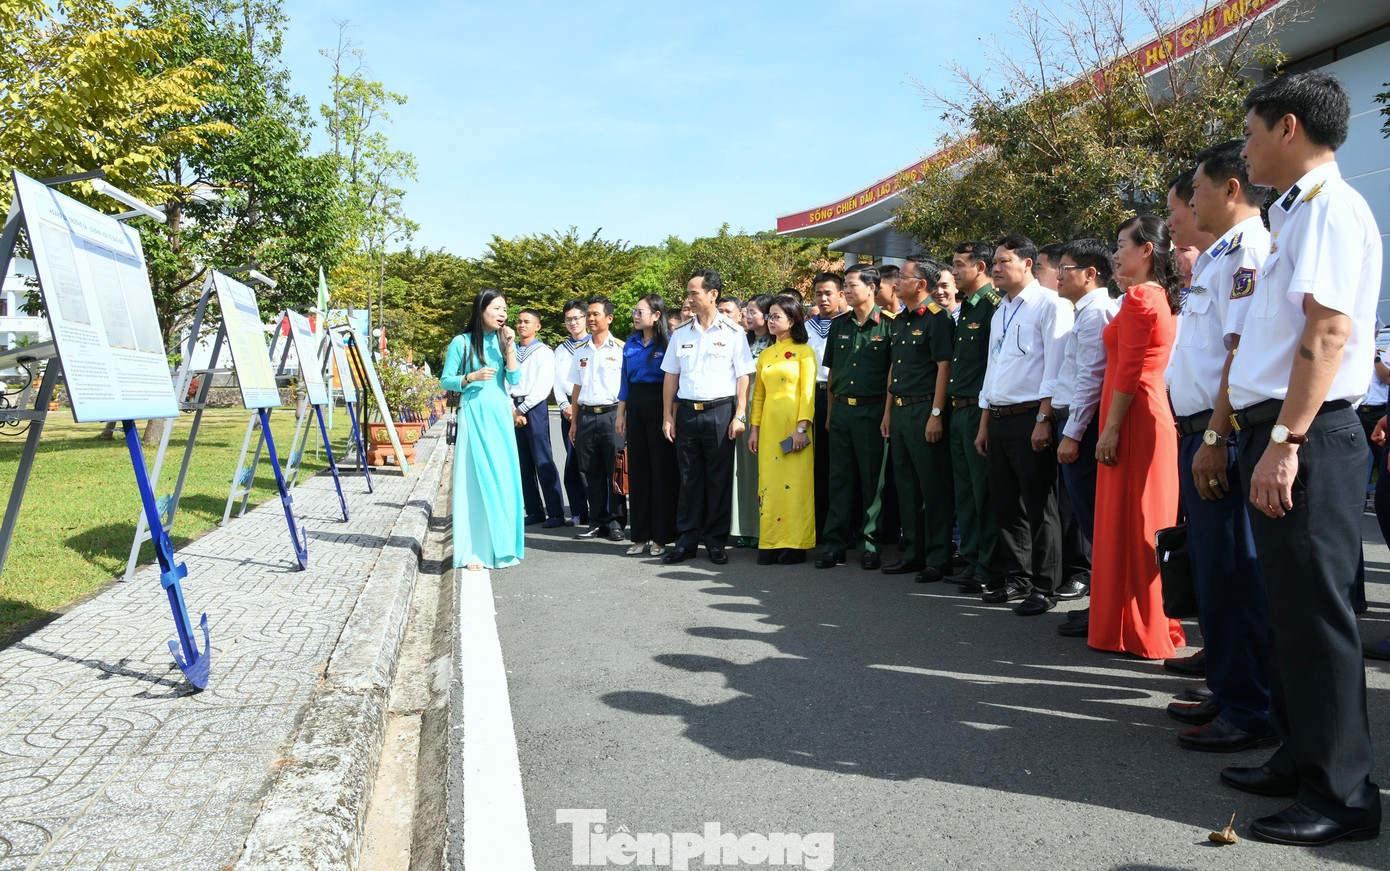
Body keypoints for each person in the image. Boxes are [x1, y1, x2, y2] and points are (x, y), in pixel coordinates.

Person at [1219, 71, 1382, 847]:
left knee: (1319, 621)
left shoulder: (1329, 209)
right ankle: (1303, 753)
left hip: (1307, 436)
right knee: (1290, 613)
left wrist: (1283, 442)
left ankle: (1343, 793)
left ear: (1288, 127)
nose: (1245, 149)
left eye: (1250, 132)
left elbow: (1326, 336)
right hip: (1282, 431)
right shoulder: (1300, 214)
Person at [1162, 138, 1274, 751]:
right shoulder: (1216, 257)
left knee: (1234, 570)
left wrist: (1214, 434)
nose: (1187, 206)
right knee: (1214, 569)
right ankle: (1229, 689)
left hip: (1218, 431)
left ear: (1230, 189)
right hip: (1202, 428)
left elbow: (1239, 354)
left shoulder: (1249, 250)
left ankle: (1248, 708)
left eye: (1196, 192)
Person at [1086, 215, 1183, 656]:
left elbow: (1129, 370)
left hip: (1134, 418)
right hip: (1135, 413)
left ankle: (1141, 628)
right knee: (1132, 520)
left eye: (1122, 243)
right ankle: (1130, 624)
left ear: (1147, 250)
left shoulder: (1143, 298)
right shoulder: (1145, 295)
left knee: (1138, 521)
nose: (1116, 251)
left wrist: (1109, 429)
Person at [974, 235, 1072, 615]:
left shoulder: (1051, 305)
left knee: (1039, 503)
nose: (995, 267)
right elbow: (992, 368)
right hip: (998, 418)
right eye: (994, 261)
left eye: (1003, 261)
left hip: (1031, 416)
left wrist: (1045, 418)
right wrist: (984, 424)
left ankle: (1045, 585)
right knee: (1006, 504)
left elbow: (1056, 366)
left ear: (1028, 263)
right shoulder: (1001, 309)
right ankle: (1017, 577)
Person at [661, 269, 756, 565]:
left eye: (694, 293)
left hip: (721, 412)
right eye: (688, 293)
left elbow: (743, 376)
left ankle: (715, 542)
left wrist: (740, 415)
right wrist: (667, 416)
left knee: (718, 479)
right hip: (688, 412)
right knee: (689, 479)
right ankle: (685, 541)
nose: (689, 298)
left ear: (712, 294)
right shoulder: (680, 334)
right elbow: (670, 378)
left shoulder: (733, 332)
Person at [1051, 239, 1120, 638]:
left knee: (1096, 522)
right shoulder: (1086, 311)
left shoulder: (1096, 314)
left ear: (1090, 273)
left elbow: (1090, 379)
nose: (1058, 276)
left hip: (1085, 426)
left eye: (1066, 268)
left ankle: (1103, 608)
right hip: (1077, 423)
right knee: (1091, 521)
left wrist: (1072, 434)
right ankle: (1100, 605)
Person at [881, 255, 955, 581]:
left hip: (925, 409)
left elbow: (944, 368)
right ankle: (912, 552)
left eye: (902, 277)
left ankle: (938, 557)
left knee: (932, 486)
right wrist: (887, 412)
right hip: (899, 410)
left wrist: (936, 414)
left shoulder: (938, 319)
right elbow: (894, 369)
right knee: (906, 485)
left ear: (921, 284)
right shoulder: (899, 320)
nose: (896, 282)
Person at [440, 289, 524, 570]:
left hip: (499, 415)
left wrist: (510, 346)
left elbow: (514, 378)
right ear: (481, 310)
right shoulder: (461, 343)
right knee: (475, 480)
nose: (503, 314)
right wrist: (470, 377)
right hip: (473, 413)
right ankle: (474, 551)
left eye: (505, 309)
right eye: (497, 308)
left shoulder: (503, 342)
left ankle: (503, 546)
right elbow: (446, 380)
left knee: (503, 478)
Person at [818, 263, 894, 570]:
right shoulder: (839, 325)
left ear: (871, 288)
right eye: (845, 286)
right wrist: (831, 412)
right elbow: (833, 370)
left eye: (851, 286)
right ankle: (834, 544)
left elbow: (892, 376)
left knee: (871, 481)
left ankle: (869, 544)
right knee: (839, 479)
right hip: (841, 413)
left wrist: (887, 414)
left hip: (872, 410)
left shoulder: (889, 326)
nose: (846, 291)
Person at [948, 242, 1003, 593]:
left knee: (984, 493)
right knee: (966, 492)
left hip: (979, 410)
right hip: (958, 409)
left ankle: (990, 564)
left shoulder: (992, 307)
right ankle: (971, 559)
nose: (953, 272)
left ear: (979, 267)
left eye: (958, 265)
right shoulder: (967, 307)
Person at [748, 294, 817, 564]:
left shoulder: (804, 351)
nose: (771, 320)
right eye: (769, 316)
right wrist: (754, 429)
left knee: (795, 486)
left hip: (794, 429)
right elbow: (759, 397)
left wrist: (801, 428)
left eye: (776, 316)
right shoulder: (765, 354)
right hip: (768, 429)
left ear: (792, 320)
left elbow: (807, 393)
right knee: (769, 485)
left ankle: (796, 544)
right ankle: (771, 541)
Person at [617, 294, 676, 557]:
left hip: (659, 402)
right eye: (634, 311)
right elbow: (624, 383)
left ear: (657, 315)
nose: (636, 315)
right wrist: (621, 415)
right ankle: (639, 536)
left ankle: (661, 537)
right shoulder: (630, 342)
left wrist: (669, 415)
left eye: (640, 311)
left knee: (661, 472)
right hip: (636, 405)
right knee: (638, 471)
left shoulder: (669, 343)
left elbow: (673, 383)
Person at [569, 298, 626, 542]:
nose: (591, 319)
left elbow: (627, 388)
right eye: (588, 315)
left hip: (612, 415)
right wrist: (574, 422)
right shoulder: (580, 351)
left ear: (609, 318)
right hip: (587, 416)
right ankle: (596, 521)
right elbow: (576, 388)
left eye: (595, 315)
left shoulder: (621, 349)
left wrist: (624, 418)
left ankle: (616, 522)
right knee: (589, 471)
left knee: (615, 470)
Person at [509, 309, 567, 528]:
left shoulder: (543, 352)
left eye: (527, 322)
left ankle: (556, 512)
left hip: (534, 407)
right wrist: (512, 409)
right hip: (514, 407)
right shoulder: (511, 350)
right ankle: (533, 510)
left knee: (543, 460)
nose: (522, 325)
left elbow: (543, 387)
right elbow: (506, 382)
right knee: (522, 462)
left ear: (538, 326)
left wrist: (522, 409)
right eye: (519, 321)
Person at [731, 294, 775, 547]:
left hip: (767, 412)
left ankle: (765, 528)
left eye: (753, 312)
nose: (747, 316)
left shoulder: (776, 344)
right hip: (741, 411)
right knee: (744, 472)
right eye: (746, 311)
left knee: (765, 472)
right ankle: (745, 527)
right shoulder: (741, 342)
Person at [808, 273, 848, 535]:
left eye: (829, 293)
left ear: (840, 295)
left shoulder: (848, 324)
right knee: (817, 465)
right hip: (812, 397)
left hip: (839, 396)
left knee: (841, 466)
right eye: (819, 294)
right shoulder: (805, 327)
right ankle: (820, 526)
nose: (823, 299)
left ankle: (845, 527)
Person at [554, 300, 590, 526]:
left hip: (588, 408)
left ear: (586, 318)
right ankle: (578, 511)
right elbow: (556, 382)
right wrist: (563, 406)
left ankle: (600, 511)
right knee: (572, 464)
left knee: (593, 464)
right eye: (569, 319)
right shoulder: (561, 350)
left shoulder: (594, 345)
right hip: (567, 409)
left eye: (577, 318)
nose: (573, 323)